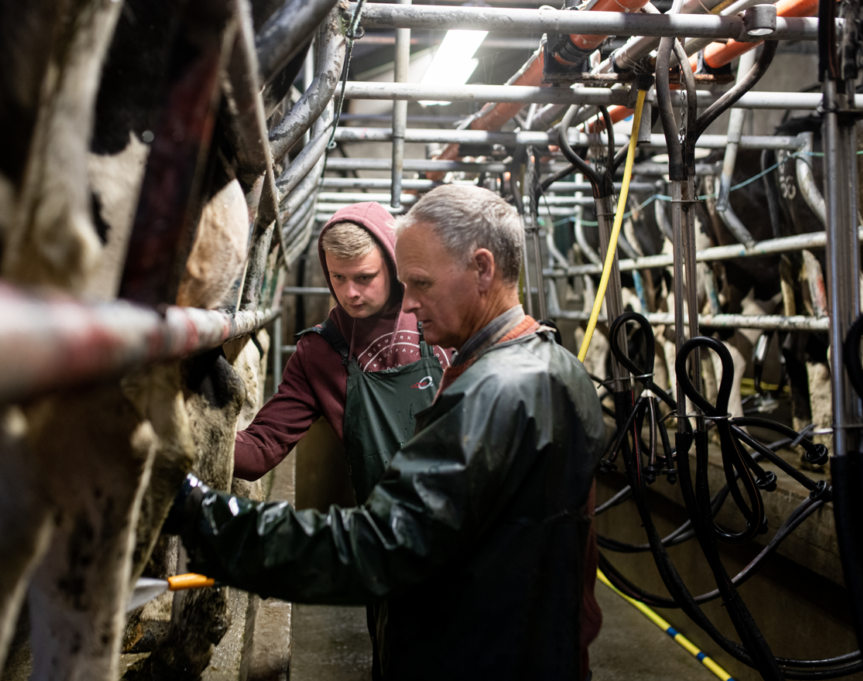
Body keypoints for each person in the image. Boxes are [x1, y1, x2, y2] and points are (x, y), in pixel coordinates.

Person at [166, 185, 606, 680]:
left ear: (483, 269)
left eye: (419, 283)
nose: (410, 302)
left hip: (469, 644)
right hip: (522, 634)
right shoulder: (557, 366)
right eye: (341, 279)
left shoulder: (492, 392)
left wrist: (200, 514)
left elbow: (377, 545)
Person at [233, 201, 451, 502]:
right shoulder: (319, 353)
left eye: (364, 277)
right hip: (389, 529)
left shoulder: (443, 319)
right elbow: (262, 447)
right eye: (338, 277)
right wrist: (192, 434)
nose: (350, 293)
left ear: (393, 265)